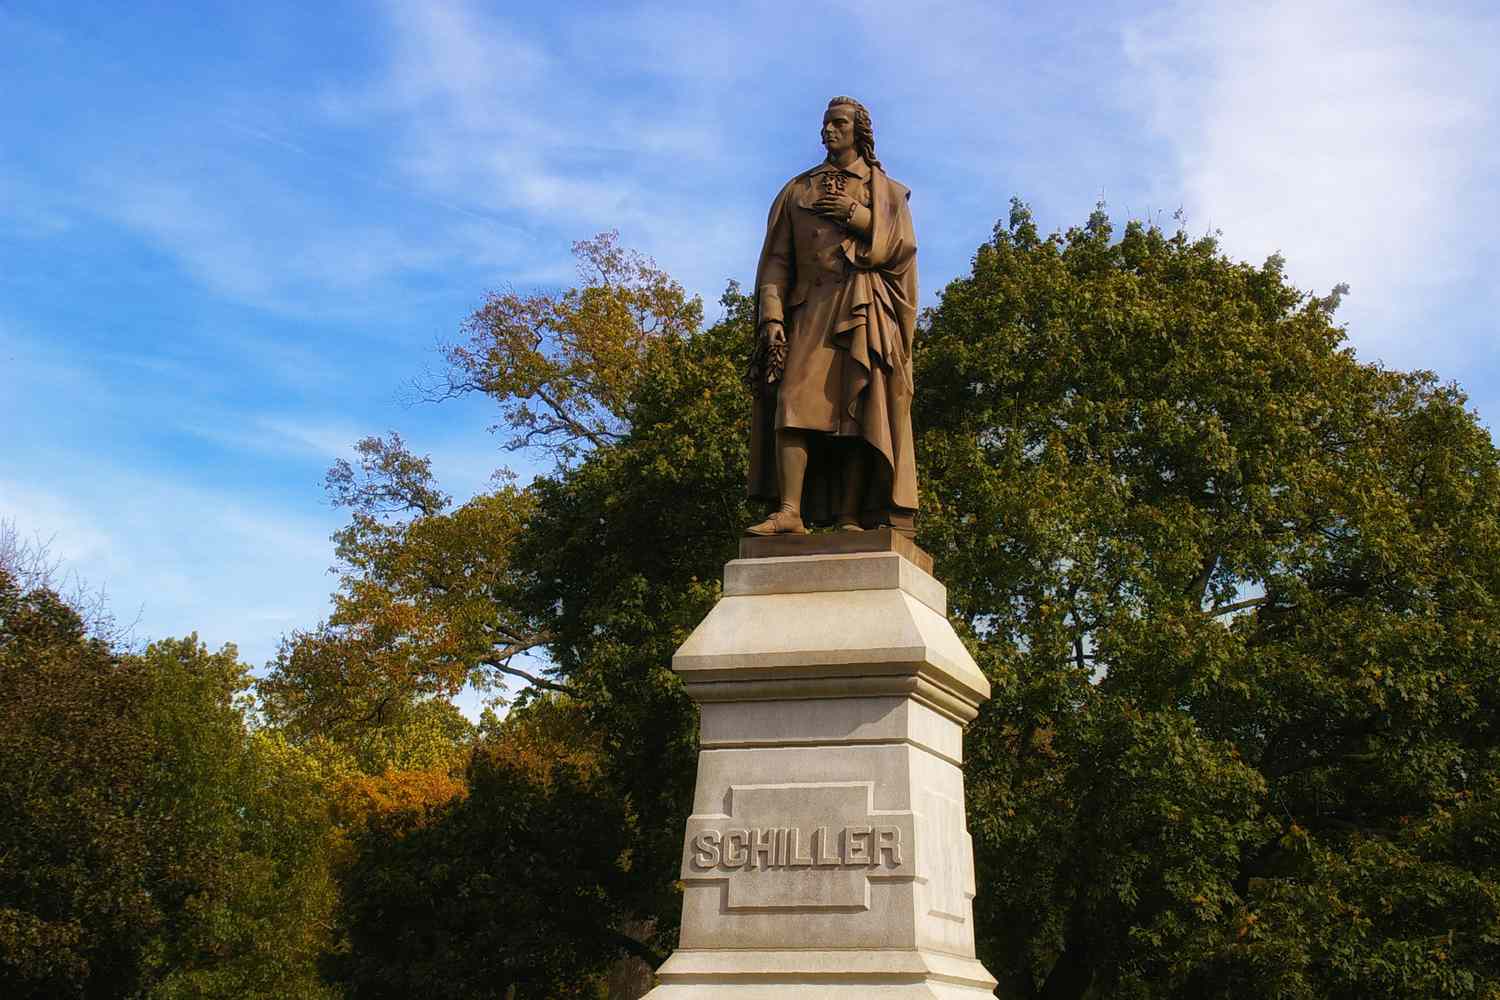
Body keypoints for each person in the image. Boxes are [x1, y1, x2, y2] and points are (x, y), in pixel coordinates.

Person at [745, 96, 919, 537]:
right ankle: (789, 511)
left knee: (858, 409)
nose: (829, 130)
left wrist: (858, 217)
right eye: (825, 124)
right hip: (809, 310)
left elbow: (902, 252)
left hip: (863, 307)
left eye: (839, 123)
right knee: (792, 402)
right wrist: (771, 316)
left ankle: (848, 516)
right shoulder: (797, 191)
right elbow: (776, 261)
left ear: (858, 130)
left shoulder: (884, 192)